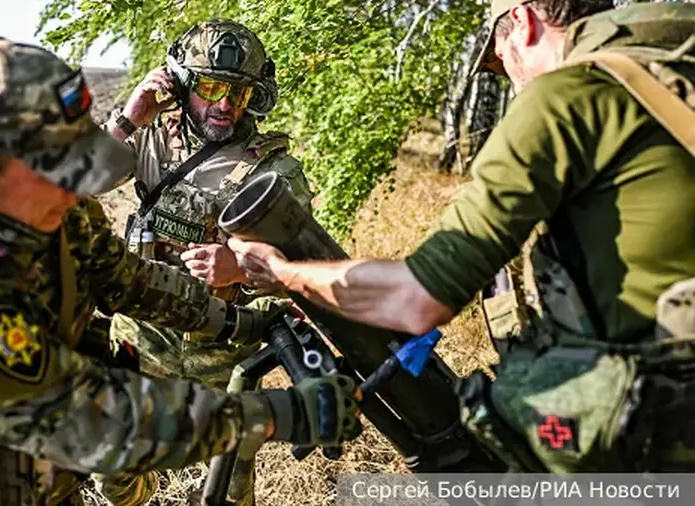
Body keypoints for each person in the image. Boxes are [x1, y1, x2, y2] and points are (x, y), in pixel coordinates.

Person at [0, 37, 362, 506]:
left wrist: (240, 325)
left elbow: (128, 279)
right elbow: (93, 419)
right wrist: (278, 415)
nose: (77, 191)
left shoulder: (48, 212)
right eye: (59, 172)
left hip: (49, 481)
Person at [229, 0, 695, 473]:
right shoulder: (672, 62)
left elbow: (417, 298)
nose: (510, 79)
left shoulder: (569, 94)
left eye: (497, 57)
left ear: (524, 21)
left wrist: (283, 271)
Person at [100, 19, 315, 506]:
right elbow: (76, 181)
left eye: (238, 92)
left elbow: (305, 269)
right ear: (182, 84)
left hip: (224, 360)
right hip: (143, 340)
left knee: (229, 496)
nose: (224, 104)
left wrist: (240, 268)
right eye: (211, 86)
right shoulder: (153, 138)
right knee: (114, 478)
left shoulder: (272, 169)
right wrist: (130, 117)